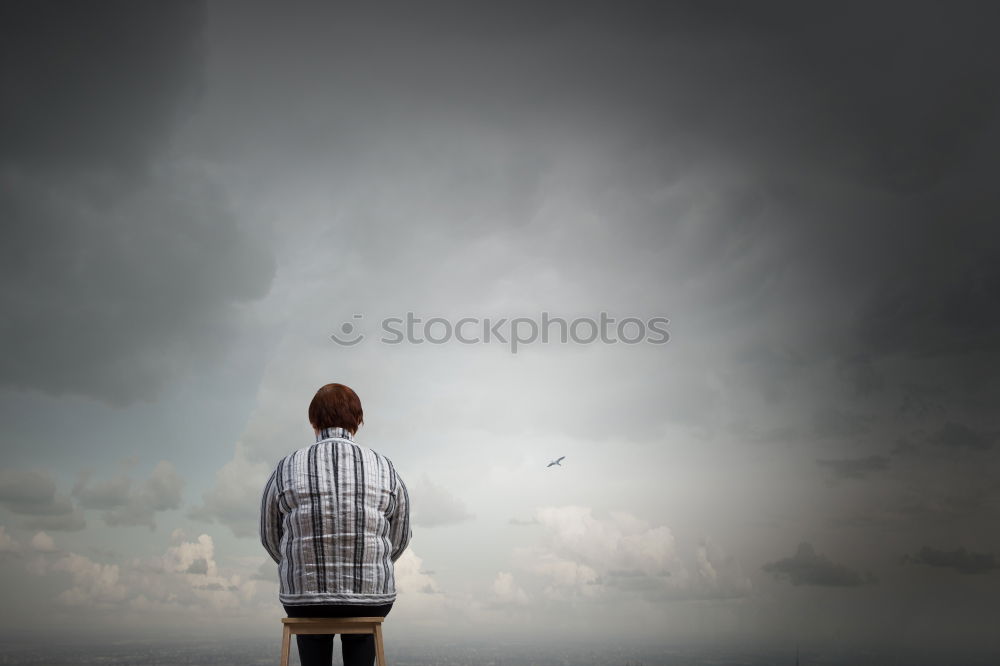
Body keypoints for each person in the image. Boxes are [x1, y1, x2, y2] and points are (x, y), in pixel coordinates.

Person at [260, 383, 412, 666]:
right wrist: (373, 563)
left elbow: (269, 536)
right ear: (358, 421)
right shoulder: (385, 466)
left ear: (313, 421)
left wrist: (301, 566)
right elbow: (400, 536)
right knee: (364, 625)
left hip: (304, 599)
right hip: (371, 599)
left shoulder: (286, 466)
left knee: (311, 624)